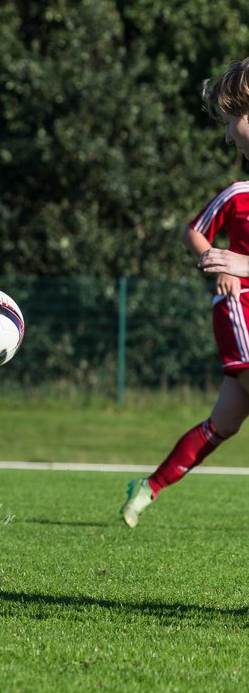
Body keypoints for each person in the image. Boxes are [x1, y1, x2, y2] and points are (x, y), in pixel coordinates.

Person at [124, 57, 249, 526]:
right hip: (240, 308)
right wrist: (221, 262)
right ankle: (149, 490)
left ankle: (149, 486)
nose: (226, 137)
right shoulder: (238, 192)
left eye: (229, 122)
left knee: (225, 423)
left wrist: (244, 263)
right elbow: (192, 232)